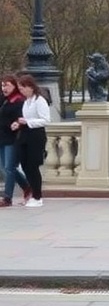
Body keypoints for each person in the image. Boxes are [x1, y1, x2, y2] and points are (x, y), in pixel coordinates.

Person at [11, 74, 51, 208]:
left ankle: (38, 196)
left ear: (30, 87)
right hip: (25, 134)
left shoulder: (40, 100)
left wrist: (27, 121)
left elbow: (45, 120)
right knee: (25, 164)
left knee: (33, 166)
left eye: (22, 88)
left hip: (36, 136)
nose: (21, 91)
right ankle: (33, 193)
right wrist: (19, 123)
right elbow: (26, 118)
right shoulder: (26, 102)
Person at [0, 74, 31, 207]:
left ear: (14, 86)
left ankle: (7, 197)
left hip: (12, 138)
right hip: (2, 137)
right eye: (2, 85)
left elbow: (22, 118)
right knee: (6, 168)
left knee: (9, 168)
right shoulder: (5, 100)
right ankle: (27, 187)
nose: (4, 88)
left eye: (7, 85)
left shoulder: (19, 101)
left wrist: (17, 123)